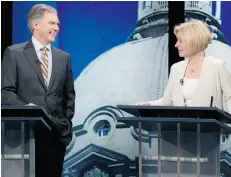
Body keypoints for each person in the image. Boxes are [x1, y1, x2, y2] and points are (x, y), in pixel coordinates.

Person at [1, 4, 75, 177]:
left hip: (55, 138)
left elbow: (69, 97)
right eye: (51, 23)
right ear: (36, 25)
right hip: (23, 137)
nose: (56, 28)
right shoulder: (14, 53)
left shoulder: (64, 58)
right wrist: (26, 109)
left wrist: (65, 126)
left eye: (57, 24)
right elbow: (5, 92)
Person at [136, 20, 231, 113]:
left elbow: (229, 98)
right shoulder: (176, 68)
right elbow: (168, 100)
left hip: (209, 127)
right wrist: (149, 104)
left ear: (193, 41)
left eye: (180, 41)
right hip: (179, 127)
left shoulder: (218, 66)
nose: (176, 45)